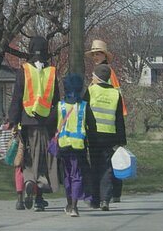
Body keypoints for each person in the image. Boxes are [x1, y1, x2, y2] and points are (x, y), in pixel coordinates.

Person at [7, 36, 60, 212]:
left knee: (27, 159)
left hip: (26, 122)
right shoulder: (52, 72)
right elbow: (56, 101)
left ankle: (28, 182)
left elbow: (17, 99)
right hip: (45, 124)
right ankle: (39, 198)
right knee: (43, 161)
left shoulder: (23, 71)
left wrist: (13, 121)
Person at [85, 39, 126, 203]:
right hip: (105, 127)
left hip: (107, 125)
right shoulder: (98, 72)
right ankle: (109, 194)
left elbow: (116, 96)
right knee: (107, 162)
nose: (95, 56)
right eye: (93, 54)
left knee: (107, 163)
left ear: (104, 55)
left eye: (98, 53)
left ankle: (112, 193)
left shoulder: (107, 73)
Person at [57, 73, 96, 217]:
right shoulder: (84, 107)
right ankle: (74, 206)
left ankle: (68, 203)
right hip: (79, 146)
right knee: (77, 175)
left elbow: (52, 123)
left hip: (63, 146)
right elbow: (92, 125)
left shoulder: (60, 106)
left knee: (67, 175)